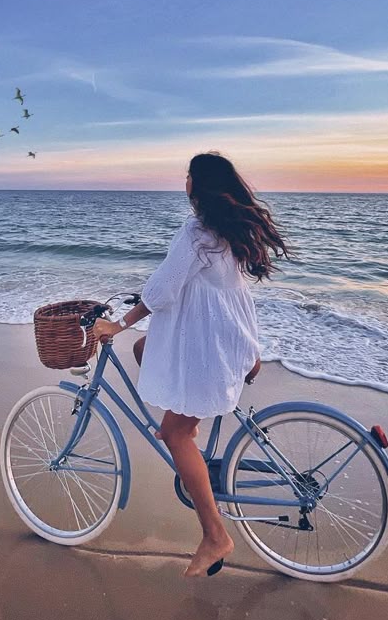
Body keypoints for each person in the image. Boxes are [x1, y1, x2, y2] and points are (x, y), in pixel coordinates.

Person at [91, 151, 292, 578]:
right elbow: (205, 292)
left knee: (172, 433)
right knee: (148, 350)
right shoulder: (227, 234)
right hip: (232, 343)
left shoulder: (197, 233)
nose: (183, 182)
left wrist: (119, 324)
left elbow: (163, 289)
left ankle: (215, 535)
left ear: (195, 188)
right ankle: (193, 427)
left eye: (187, 177)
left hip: (212, 352)